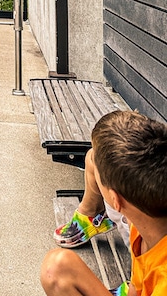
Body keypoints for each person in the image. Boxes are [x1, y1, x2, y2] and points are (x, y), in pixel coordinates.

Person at [40, 110, 167, 296]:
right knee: (56, 268)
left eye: (99, 171)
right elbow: (137, 287)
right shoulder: (143, 224)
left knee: (55, 270)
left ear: (115, 200)